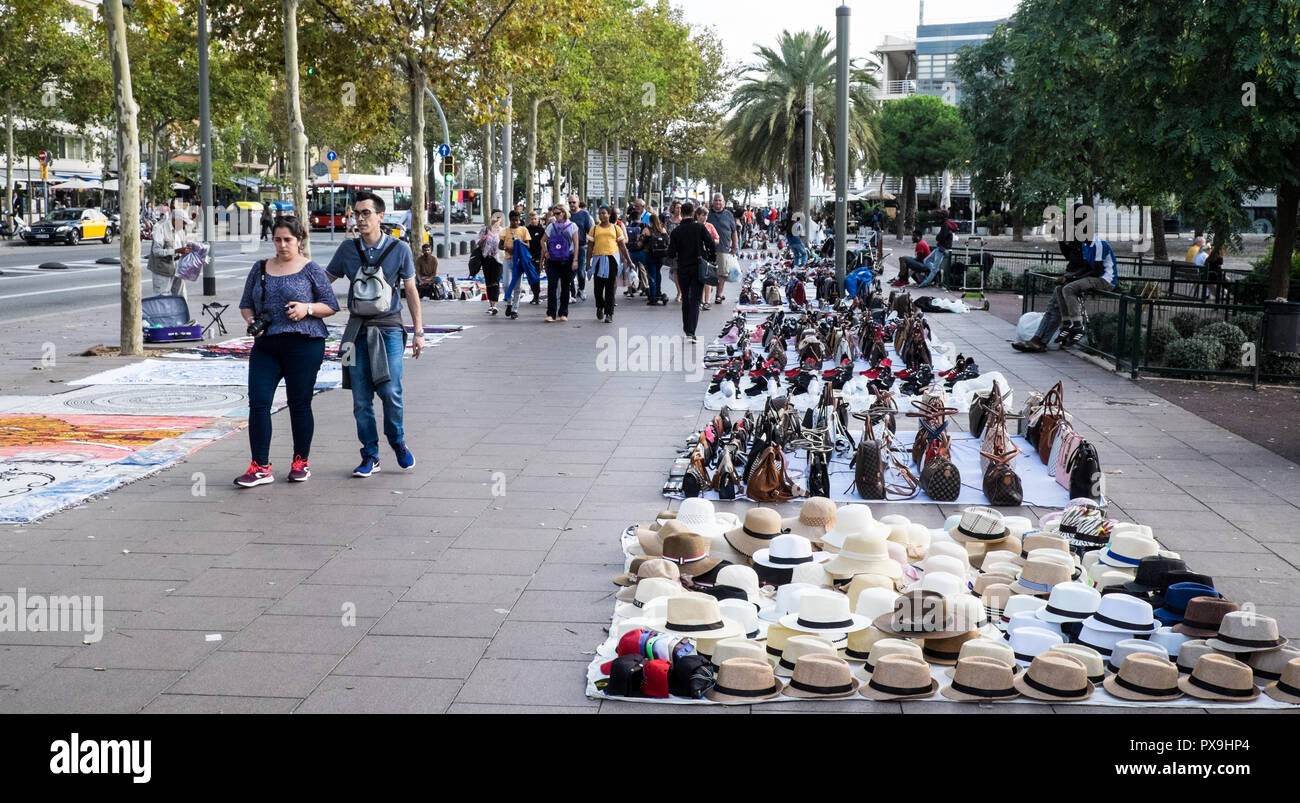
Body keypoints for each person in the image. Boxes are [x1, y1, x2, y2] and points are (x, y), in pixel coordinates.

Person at [235, 216, 339, 487]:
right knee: (258, 403)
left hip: (304, 344)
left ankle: (300, 462)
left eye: (288, 240)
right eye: (278, 240)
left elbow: (331, 304)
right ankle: (260, 466)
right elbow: (246, 304)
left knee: (299, 403)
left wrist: (308, 308)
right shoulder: (259, 268)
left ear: (299, 240)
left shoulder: (311, 269)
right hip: (266, 345)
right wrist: (250, 322)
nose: (282, 245)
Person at [325, 190, 422, 478]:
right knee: (360, 398)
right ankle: (370, 455)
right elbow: (323, 281)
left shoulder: (400, 250)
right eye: (356, 213)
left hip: (389, 328)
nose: (360, 218)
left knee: (390, 390)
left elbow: (412, 291)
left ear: (381, 216)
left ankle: (398, 441)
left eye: (366, 213)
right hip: (355, 331)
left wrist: (418, 332)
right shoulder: (347, 250)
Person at [1012, 239, 1101, 352]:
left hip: (1074, 278)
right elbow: (1071, 257)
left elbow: (1086, 266)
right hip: (1072, 276)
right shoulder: (1079, 243)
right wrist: (1062, 241)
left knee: (1054, 310)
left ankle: (1039, 341)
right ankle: (1039, 341)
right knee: (1054, 310)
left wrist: (1071, 278)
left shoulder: (1086, 243)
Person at [668, 201, 717, 342]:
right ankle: (691, 331)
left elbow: (671, 252)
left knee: (685, 299)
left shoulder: (676, 231)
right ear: (693, 213)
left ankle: (686, 328)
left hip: (683, 268)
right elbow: (711, 244)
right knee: (695, 298)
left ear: (682, 214)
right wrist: (711, 258)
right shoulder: (700, 228)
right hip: (698, 267)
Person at [587, 205, 625, 323]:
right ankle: (600, 306)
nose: (602, 215)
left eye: (604, 213)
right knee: (598, 288)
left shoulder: (616, 228)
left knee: (610, 288)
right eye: (600, 213)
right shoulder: (594, 229)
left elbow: (622, 246)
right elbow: (589, 247)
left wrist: (628, 261)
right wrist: (588, 262)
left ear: (609, 215)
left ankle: (609, 313)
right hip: (598, 260)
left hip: (612, 260)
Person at [148, 207, 196, 299]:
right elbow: (156, 251)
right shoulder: (161, 228)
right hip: (162, 270)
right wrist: (176, 251)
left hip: (177, 268)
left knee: (181, 297)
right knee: (162, 298)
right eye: (183, 223)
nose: (184, 226)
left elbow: (183, 245)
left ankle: (181, 313)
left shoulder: (181, 231)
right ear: (175, 220)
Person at [544, 204, 580, 322]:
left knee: (565, 287)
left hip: (567, 259)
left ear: (564, 213)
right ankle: (551, 314)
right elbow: (542, 240)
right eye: (554, 214)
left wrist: (575, 260)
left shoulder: (573, 226)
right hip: (553, 261)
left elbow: (576, 244)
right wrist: (546, 252)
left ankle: (563, 313)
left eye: (558, 213)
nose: (556, 216)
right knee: (552, 286)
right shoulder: (551, 227)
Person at [501, 210, 536, 320]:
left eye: (517, 220)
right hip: (508, 259)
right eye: (513, 220)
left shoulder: (523, 230)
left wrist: (519, 244)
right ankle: (509, 304)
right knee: (506, 284)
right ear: (510, 219)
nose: (515, 222)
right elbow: (500, 245)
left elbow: (528, 245)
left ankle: (515, 310)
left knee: (517, 286)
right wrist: (507, 248)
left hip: (519, 262)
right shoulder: (505, 230)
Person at [707, 194, 738, 304]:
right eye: (716, 200)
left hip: (724, 247)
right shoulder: (707, 214)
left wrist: (735, 246)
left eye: (720, 200)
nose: (718, 202)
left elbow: (734, 231)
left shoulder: (728, 214)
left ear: (724, 203)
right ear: (712, 202)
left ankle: (719, 294)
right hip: (708, 248)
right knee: (708, 271)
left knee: (722, 273)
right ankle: (707, 295)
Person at [475, 212, 505, 315]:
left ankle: (495, 305)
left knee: (495, 281)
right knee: (488, 282)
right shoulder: (484, 230)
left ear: (500, 220)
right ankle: (491, 305)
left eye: (498, 218)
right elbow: (477, 242)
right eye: (494, 217)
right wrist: (483, 239)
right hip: (486, 259)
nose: (496, 220)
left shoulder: (502, 231)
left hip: (498, 259)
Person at [639, 213, 670, 305]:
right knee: (657, 272)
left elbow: (640, 243)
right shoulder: (663, 230)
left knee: (652, 275)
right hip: (661, 256)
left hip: (650, 255)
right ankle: (658, 292)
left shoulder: (646, 230)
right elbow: (668, 241)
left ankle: (653, 296)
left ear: (650, 221)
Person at [568, 196, 593, 302]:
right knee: (569, 272)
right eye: (570, 202)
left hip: (582, 246)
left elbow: (590, 231)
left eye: (574, 202)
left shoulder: (584, 214)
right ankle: (572, 294)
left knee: (581, 271)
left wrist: (592, 248)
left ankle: (582, 289)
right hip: (569, 247)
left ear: (578, 203)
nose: (572, 204)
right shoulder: (567, 215)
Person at [694, 206, 720, 310]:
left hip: (707, 254)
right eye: (703, 215)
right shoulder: (694, 226)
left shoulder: (710, 226)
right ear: (697, 215)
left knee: (707, 277)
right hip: (697, 254)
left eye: (706, 215)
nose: (705, 217)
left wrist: (710, 242)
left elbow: (717, 239)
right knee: (699, 278)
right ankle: (701, 300)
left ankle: (707, 301)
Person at [525, 209, 546, 304]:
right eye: (531, 219)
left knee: (536, 277)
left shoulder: (541, 230)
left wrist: (543, 257)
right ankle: (534, 294)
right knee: (530, 278)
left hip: (538, 256)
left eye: (535, 219)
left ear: (538, 219)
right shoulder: (526, 229)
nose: (533, 220)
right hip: (528, 257)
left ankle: (536, 296)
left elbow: (544, 243)